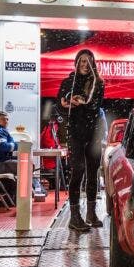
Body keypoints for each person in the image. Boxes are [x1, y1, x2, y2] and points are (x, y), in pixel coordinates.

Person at [58, 49, 105, 231]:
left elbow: (95, 105)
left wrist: (81, 102)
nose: (84, 65)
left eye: (88, 61)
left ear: (93, 63)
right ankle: (74, 216)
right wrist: (65, 103)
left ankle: (91, 214)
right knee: (78, 170)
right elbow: (59, 106)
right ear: (76, 63)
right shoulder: (68, 82)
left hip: (93, 133)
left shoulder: (98, 83)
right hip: (75, 133)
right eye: (81, 61)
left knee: (93, 172)